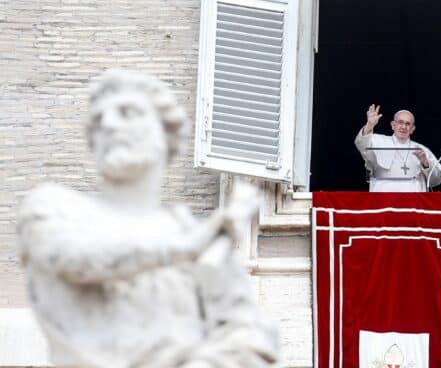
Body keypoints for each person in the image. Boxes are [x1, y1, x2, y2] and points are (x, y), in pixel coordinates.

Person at [17, 70, 278, 368]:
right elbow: (72, 259)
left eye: (128, 112)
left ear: (165, 134)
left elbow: (248, 334)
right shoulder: (54, 207)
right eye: (98, 121)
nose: (109, 125)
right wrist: (185, 248)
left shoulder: (193, 233)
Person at [354, 104, 441, 192]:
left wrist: (426, 164)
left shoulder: (421, 150)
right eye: (400, 122)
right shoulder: (378, 141)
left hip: (413, 203)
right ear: (393, 125)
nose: (403, 127)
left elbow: (435, 180)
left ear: (412, 129)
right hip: (384, 201)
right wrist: (369, 125)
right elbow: (361, 144)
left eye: (408, 124)